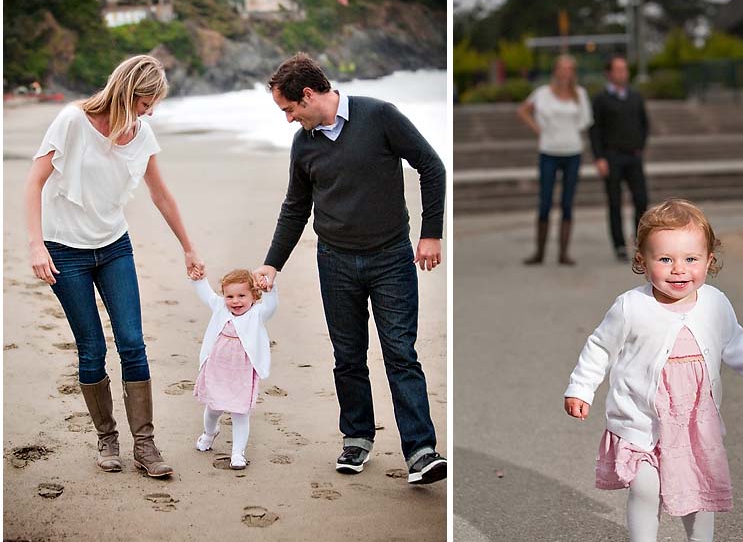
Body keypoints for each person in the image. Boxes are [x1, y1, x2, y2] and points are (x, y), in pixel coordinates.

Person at [563, 199, 743, 542]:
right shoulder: (632, 307)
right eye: (665, 259)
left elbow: (739, 346)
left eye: (690, 258)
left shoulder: (715, 304)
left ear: (709, 260)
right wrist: (581, 388)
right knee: (645, 486)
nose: (679, 269)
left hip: (693, 423)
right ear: (642, 260)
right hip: (641, 419)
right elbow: (599, 348)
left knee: (698, 490)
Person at [253, 52, 448, 485]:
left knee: (400, 353)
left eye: (288, 109)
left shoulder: (379, 116)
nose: (287, 119)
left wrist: (431, 233)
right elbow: (295, 207)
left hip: (391, 258)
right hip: (335, 261)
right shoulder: (304, 144)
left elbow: (431, 167)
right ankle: (357, 439)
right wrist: (272, 264)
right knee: (348, 356)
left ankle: (420, 451)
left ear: (307, 95)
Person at [25, 54, 205, 477]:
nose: (150, 111)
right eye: (146, 102)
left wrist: (188, 247)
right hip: (64, 251)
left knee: (132, 342)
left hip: (113, 247)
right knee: (91, 348)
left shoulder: (143, 135)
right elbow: (33, 182)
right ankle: (107, 438)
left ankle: (145, 445)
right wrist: (36, 246)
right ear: (127, 92)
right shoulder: (72, 122)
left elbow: (162, 195)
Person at [190, 268, 278, 470]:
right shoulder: (220, 307)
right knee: (213, 408)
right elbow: (206, 294)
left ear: (254, 296)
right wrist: (199, 279)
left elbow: (272, 306)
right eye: (229, 296)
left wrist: (270, 289)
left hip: (241, 372)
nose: (235, 301)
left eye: (241, 296)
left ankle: (238, 452)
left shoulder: (257, 313)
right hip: (217, 368)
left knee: (240, 413)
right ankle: (209, 433)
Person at [517, 54, 593, 266]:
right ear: (555, 70)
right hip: (548, 152)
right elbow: (522, 110)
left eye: (570, 68)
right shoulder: (542, 93)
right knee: (545, 202)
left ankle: (563, 253)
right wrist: (538, 130)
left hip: (572, 152)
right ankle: (539, 252)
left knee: (567, 203)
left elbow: (585, 122)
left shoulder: (580, 94)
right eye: (562, 68)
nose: (565, 72)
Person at [590, 55, 650, 262]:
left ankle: (640, 243)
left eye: (625, 69)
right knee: (614, 202)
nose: (622, 73)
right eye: (618, 70)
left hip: (633, 156)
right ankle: (618, 245)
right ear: (609, 73)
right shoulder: (600, 99)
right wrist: (599, 157)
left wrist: (640, 146)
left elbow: (644, 123)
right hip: (611, 156)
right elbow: (595, 130)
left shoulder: (635, 97)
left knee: (641, 200)